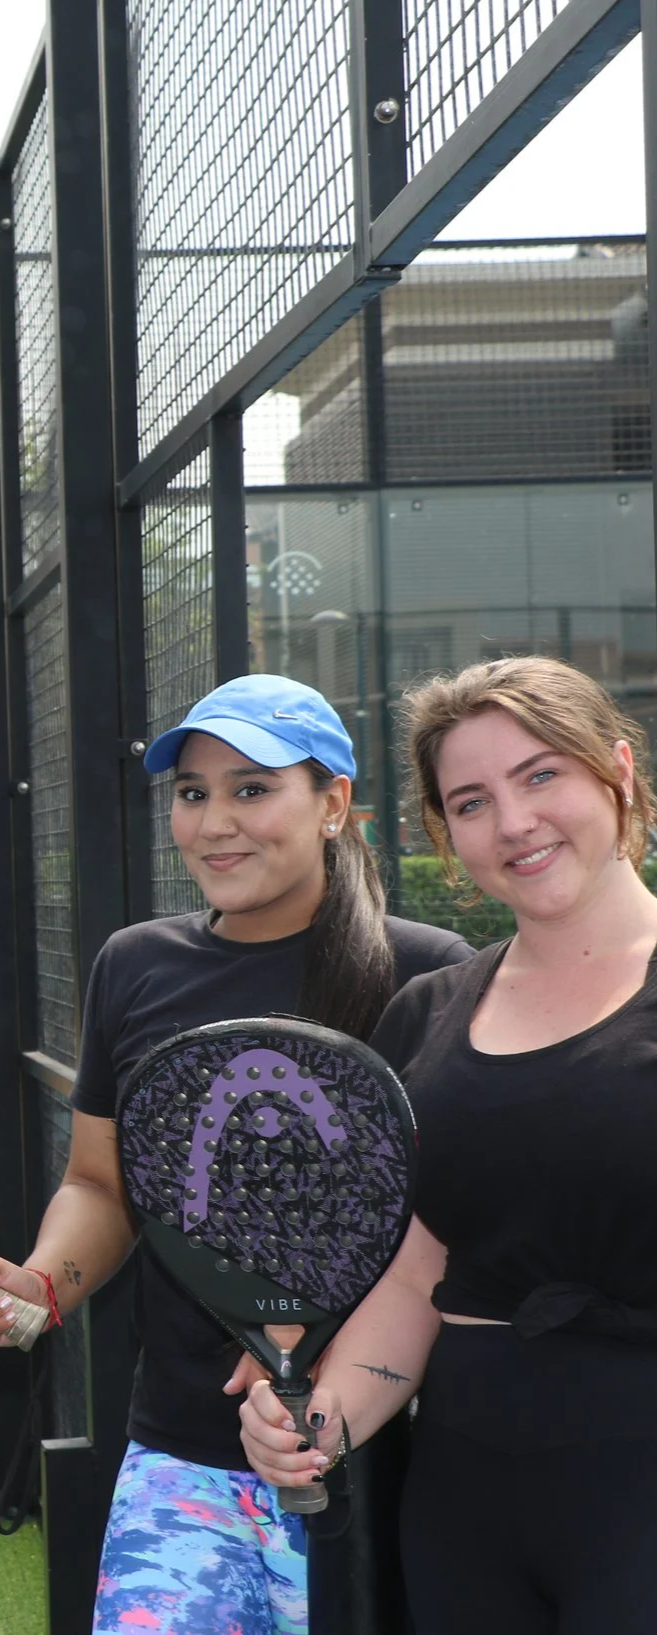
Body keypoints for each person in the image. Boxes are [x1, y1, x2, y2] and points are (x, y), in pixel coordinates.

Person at [0, 674, 471, 1635]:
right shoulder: (134, 964)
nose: (214, 821)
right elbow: (101, 1182)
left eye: (252, 787)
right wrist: (42, 1285)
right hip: (180, 1450)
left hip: (381, 1463)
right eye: (191, 791)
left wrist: (325, 1371)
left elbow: (444, 1230)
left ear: (333, 803)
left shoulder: (429, 970)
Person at [239, 655, 657, 1634]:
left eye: (540, 773)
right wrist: (322, 1413)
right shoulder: (425, 1014)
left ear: (619, 772)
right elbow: (413, 1276)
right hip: (464, 1499)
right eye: (469, 800)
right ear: (443, 830)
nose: (512, 822)